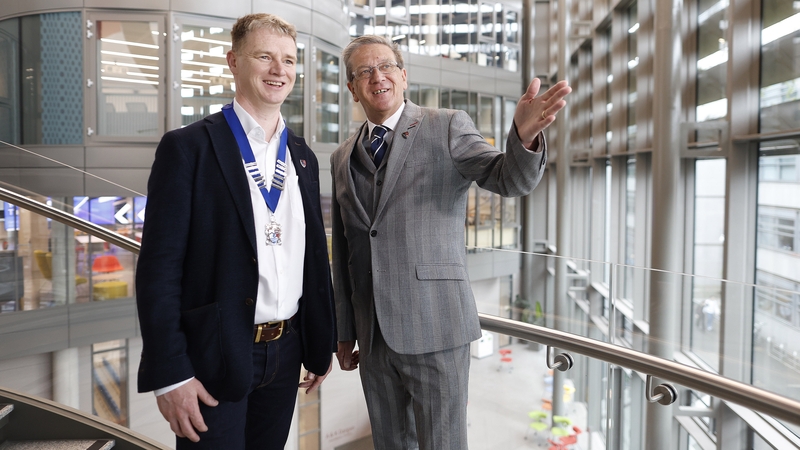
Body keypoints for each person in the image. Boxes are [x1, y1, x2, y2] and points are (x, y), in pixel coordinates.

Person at [330, 35, 571, 449]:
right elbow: (346, 253)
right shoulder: (341, 157)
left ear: (403, 77)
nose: (377, 76)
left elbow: (507, 178)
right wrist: (345, 329)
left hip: (436, 327)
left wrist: (524, 138)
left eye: (386, 66)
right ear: (352, 87)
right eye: (364, 71)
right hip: (373, 337)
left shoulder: (446, 125)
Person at [135, 13, 336, 449]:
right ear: (233, 61)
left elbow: (312, 258)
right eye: (264, 56)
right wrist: (170, 373)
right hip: (214, 355)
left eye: (287, 59)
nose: (278, 70)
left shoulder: (303, 156)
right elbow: (159, 269)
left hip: (287, 353)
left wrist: (320, 342)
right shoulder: (188, 148)